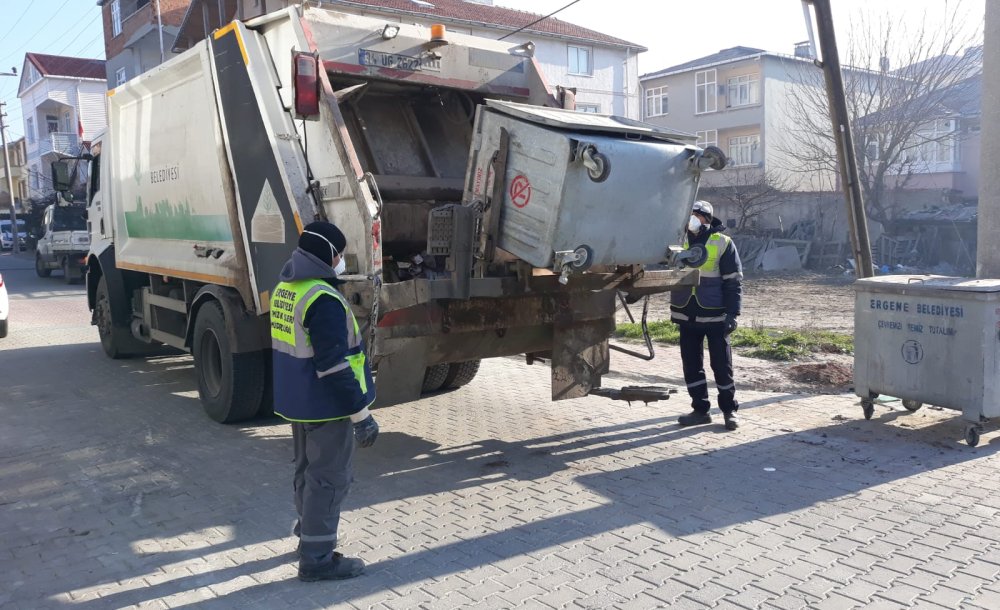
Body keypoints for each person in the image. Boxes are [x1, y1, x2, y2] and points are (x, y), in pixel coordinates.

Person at [270, 221, 380, 582]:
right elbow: (333, 366)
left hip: (298, 400)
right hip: (327, 404)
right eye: (339, 254)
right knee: (329, 479)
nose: (341, 261)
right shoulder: (323, 299)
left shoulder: (287, 288)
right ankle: (317, 560)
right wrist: (361, 415)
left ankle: (309, 537)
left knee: (307, 471)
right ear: (327, 255)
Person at [670, 200, 743, 431]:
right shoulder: (677, 241)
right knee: (691, 366)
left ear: (707, 219)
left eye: (697, 215)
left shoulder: (723, 243)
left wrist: (732, 313)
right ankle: (700, 410)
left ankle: (729, 411)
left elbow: (733, 281)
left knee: (722, 366)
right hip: (686, 313)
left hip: (715, 316)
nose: (692, 219)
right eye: (689, 214)